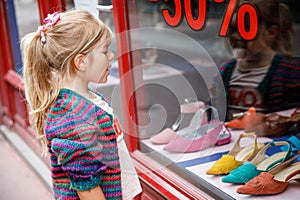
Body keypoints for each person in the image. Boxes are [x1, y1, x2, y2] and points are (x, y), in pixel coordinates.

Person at [21, 10, 142, 199]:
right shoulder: (72, 118)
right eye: (105, 51)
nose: (111, 56)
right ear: (81, 62)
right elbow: (88, 190)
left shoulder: (87, 99)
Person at [215, 0, 300, 136]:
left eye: (246, 28)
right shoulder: (226, 70)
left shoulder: (290, 71)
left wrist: (286, 121)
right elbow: (213, 109)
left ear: (271, 32)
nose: (236, 36)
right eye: (231, 29)